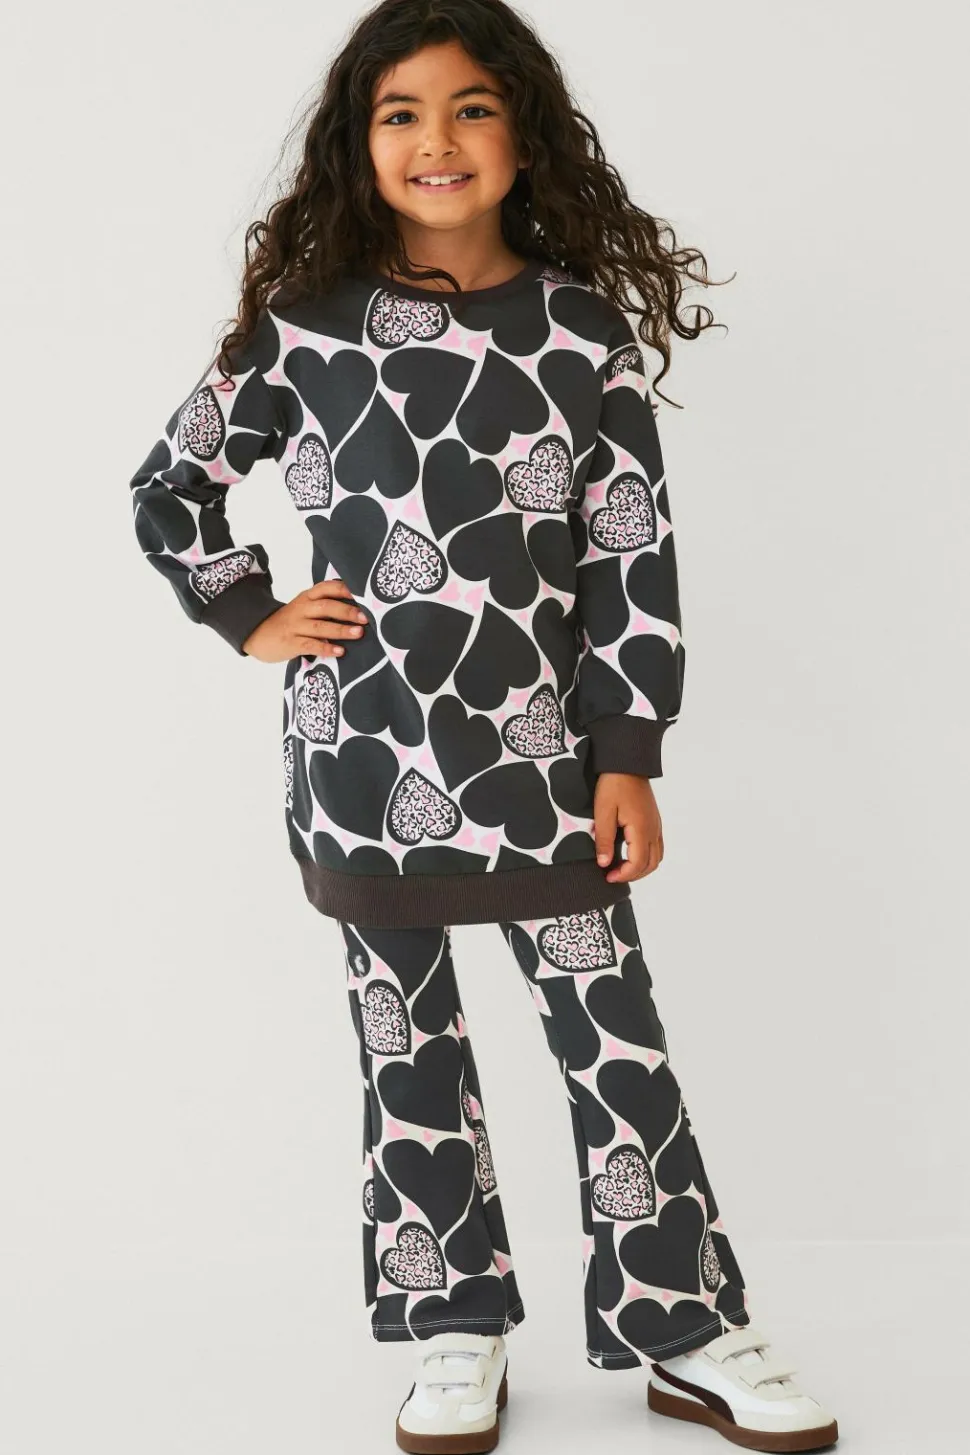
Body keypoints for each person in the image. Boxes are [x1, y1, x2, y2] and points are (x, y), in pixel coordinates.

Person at [128, 2, 840, 1451]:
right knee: (408, 1050)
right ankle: (450, 1324)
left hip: (548, 766)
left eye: (471, 107)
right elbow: (168, 487)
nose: (436, 140)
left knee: (614, 1037)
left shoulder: (583, 332)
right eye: (400, 112)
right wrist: (252, 611)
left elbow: (631, 556)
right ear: (358, 142)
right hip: (361, 756)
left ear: (525, 133)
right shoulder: (301, 329)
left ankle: (683, 1325)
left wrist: (628, 753)